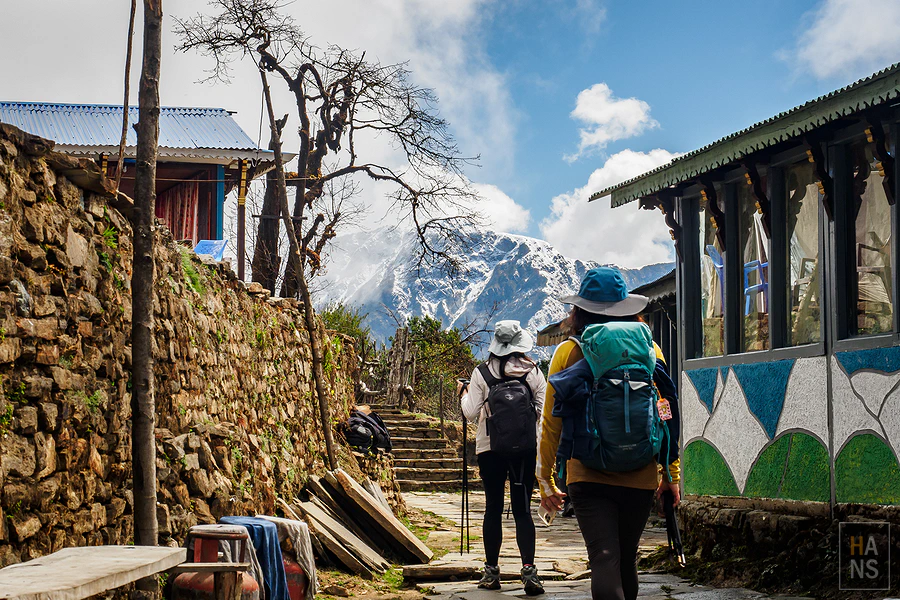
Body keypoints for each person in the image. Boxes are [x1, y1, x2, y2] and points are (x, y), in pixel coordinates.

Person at [536, 267, 680, 600]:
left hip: (587, 473)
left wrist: (545, 482)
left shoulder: (568, 352)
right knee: (627, 559)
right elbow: (665, 410)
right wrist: (670, 474)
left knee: (604, 556)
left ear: (579, 310)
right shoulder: (650, 350)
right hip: (640, 472)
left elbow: (551, 423)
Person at [460, 320, 547, 596]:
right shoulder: (532, 372)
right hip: (524, 450)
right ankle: (529, 572)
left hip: (490, 449)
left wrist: (463, 393)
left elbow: (470, 413)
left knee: (493, 508)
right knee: (522, 510)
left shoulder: (481, 373)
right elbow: (544, 412)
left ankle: (491, 572)